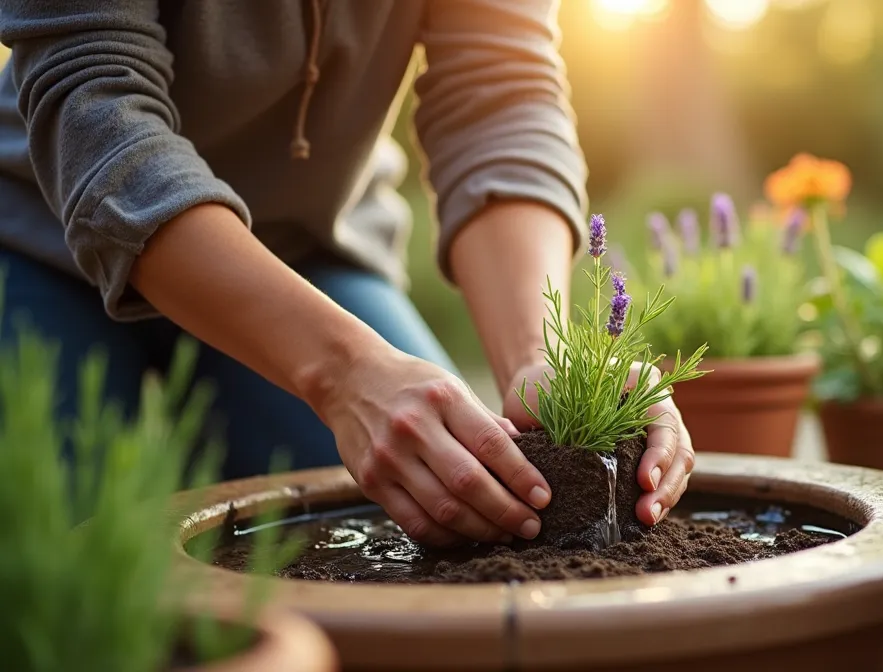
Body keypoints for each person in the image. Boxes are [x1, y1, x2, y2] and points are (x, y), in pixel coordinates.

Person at [0, 0, 694, 548]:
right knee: (60, 571)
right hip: (39, 236)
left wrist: (541, 355)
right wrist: (345, 372)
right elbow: (92, 93)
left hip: (313, 246)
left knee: (455, 515)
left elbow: (500, 94)